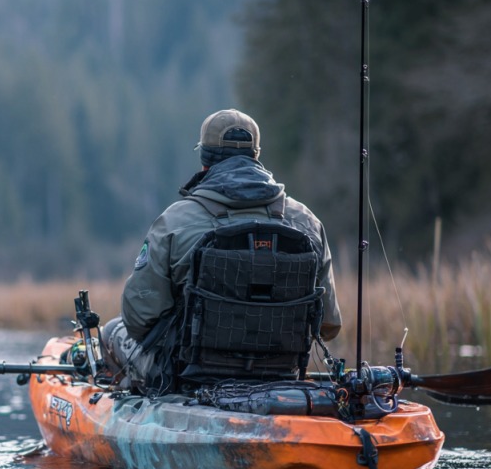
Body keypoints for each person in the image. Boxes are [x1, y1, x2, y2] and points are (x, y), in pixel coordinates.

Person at [102, 109, 341, 392]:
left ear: (204, 160)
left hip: (188, 374)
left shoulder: (174, 221)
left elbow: (138, 318)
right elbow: (328, 325)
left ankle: (138, 406)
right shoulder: (307, 221)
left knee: (111, 331)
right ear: (256, 155)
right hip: (282, 373)